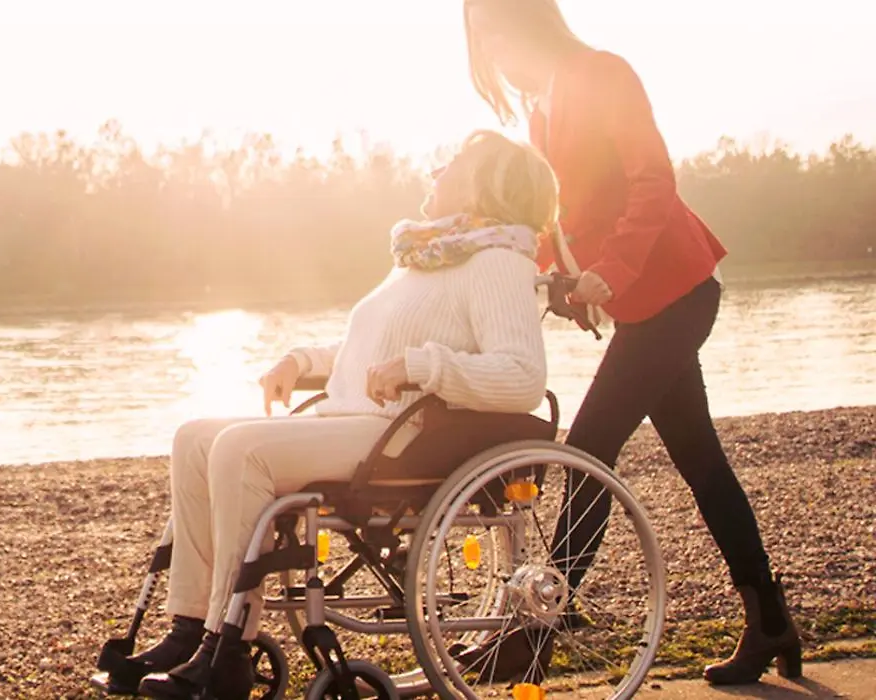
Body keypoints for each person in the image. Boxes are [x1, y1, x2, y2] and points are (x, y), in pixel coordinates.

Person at [126, 130, 556, 700]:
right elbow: (368, 353)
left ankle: (228, 645)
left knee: (239, 449)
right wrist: (301, 361)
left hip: (403, 437)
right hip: (356, 423)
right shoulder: (429, 257)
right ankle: (188, 628)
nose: (434, 170)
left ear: (483, 186)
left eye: (449, 163)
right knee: (196, 438)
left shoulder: (497, 261)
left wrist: (421, 366)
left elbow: (522, 375)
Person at [460, 0, 802, 686]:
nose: (492, 53)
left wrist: (608, 274)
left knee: (588, 451)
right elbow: (565, 213)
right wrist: (561, 277)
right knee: (701, 460)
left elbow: (652, 182)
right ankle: (768, 619)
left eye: (493, 33)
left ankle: (538, 630)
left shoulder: (602, 73)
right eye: (481, 42)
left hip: (678, 290)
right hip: (643, 306)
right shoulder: (542, 109)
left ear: (528, 19)